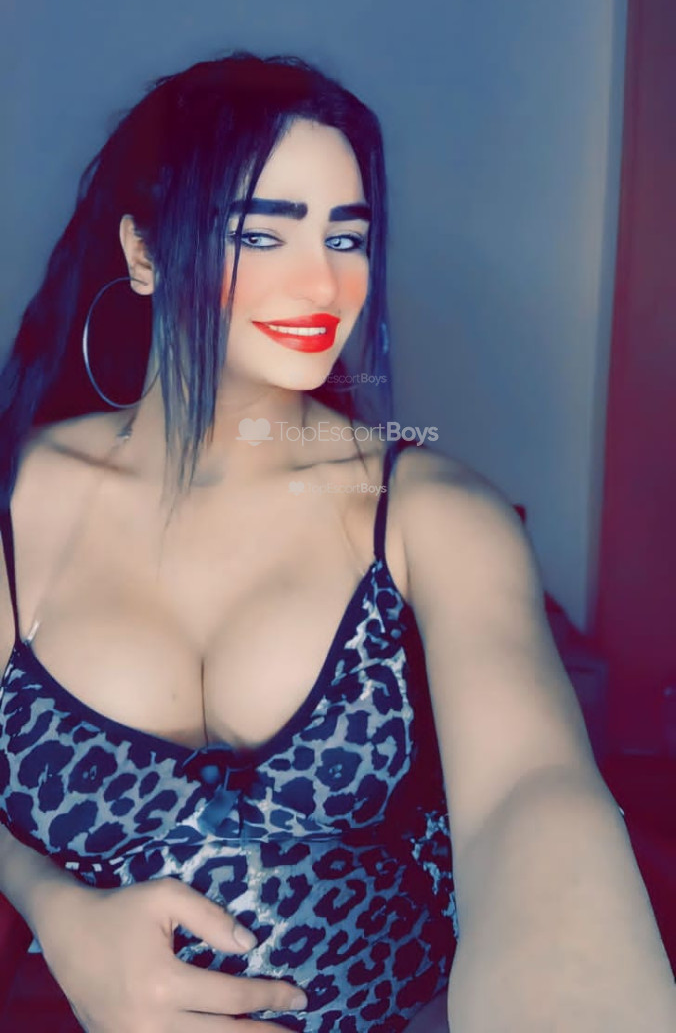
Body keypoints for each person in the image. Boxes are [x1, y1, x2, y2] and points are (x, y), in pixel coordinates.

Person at [0, 52, 673, 1033]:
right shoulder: (20, 504)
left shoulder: (431, 513)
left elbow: (531, 792)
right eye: (260, 233)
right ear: (143, 254)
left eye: (345, 236)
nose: (321, 281)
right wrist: (54, 907)